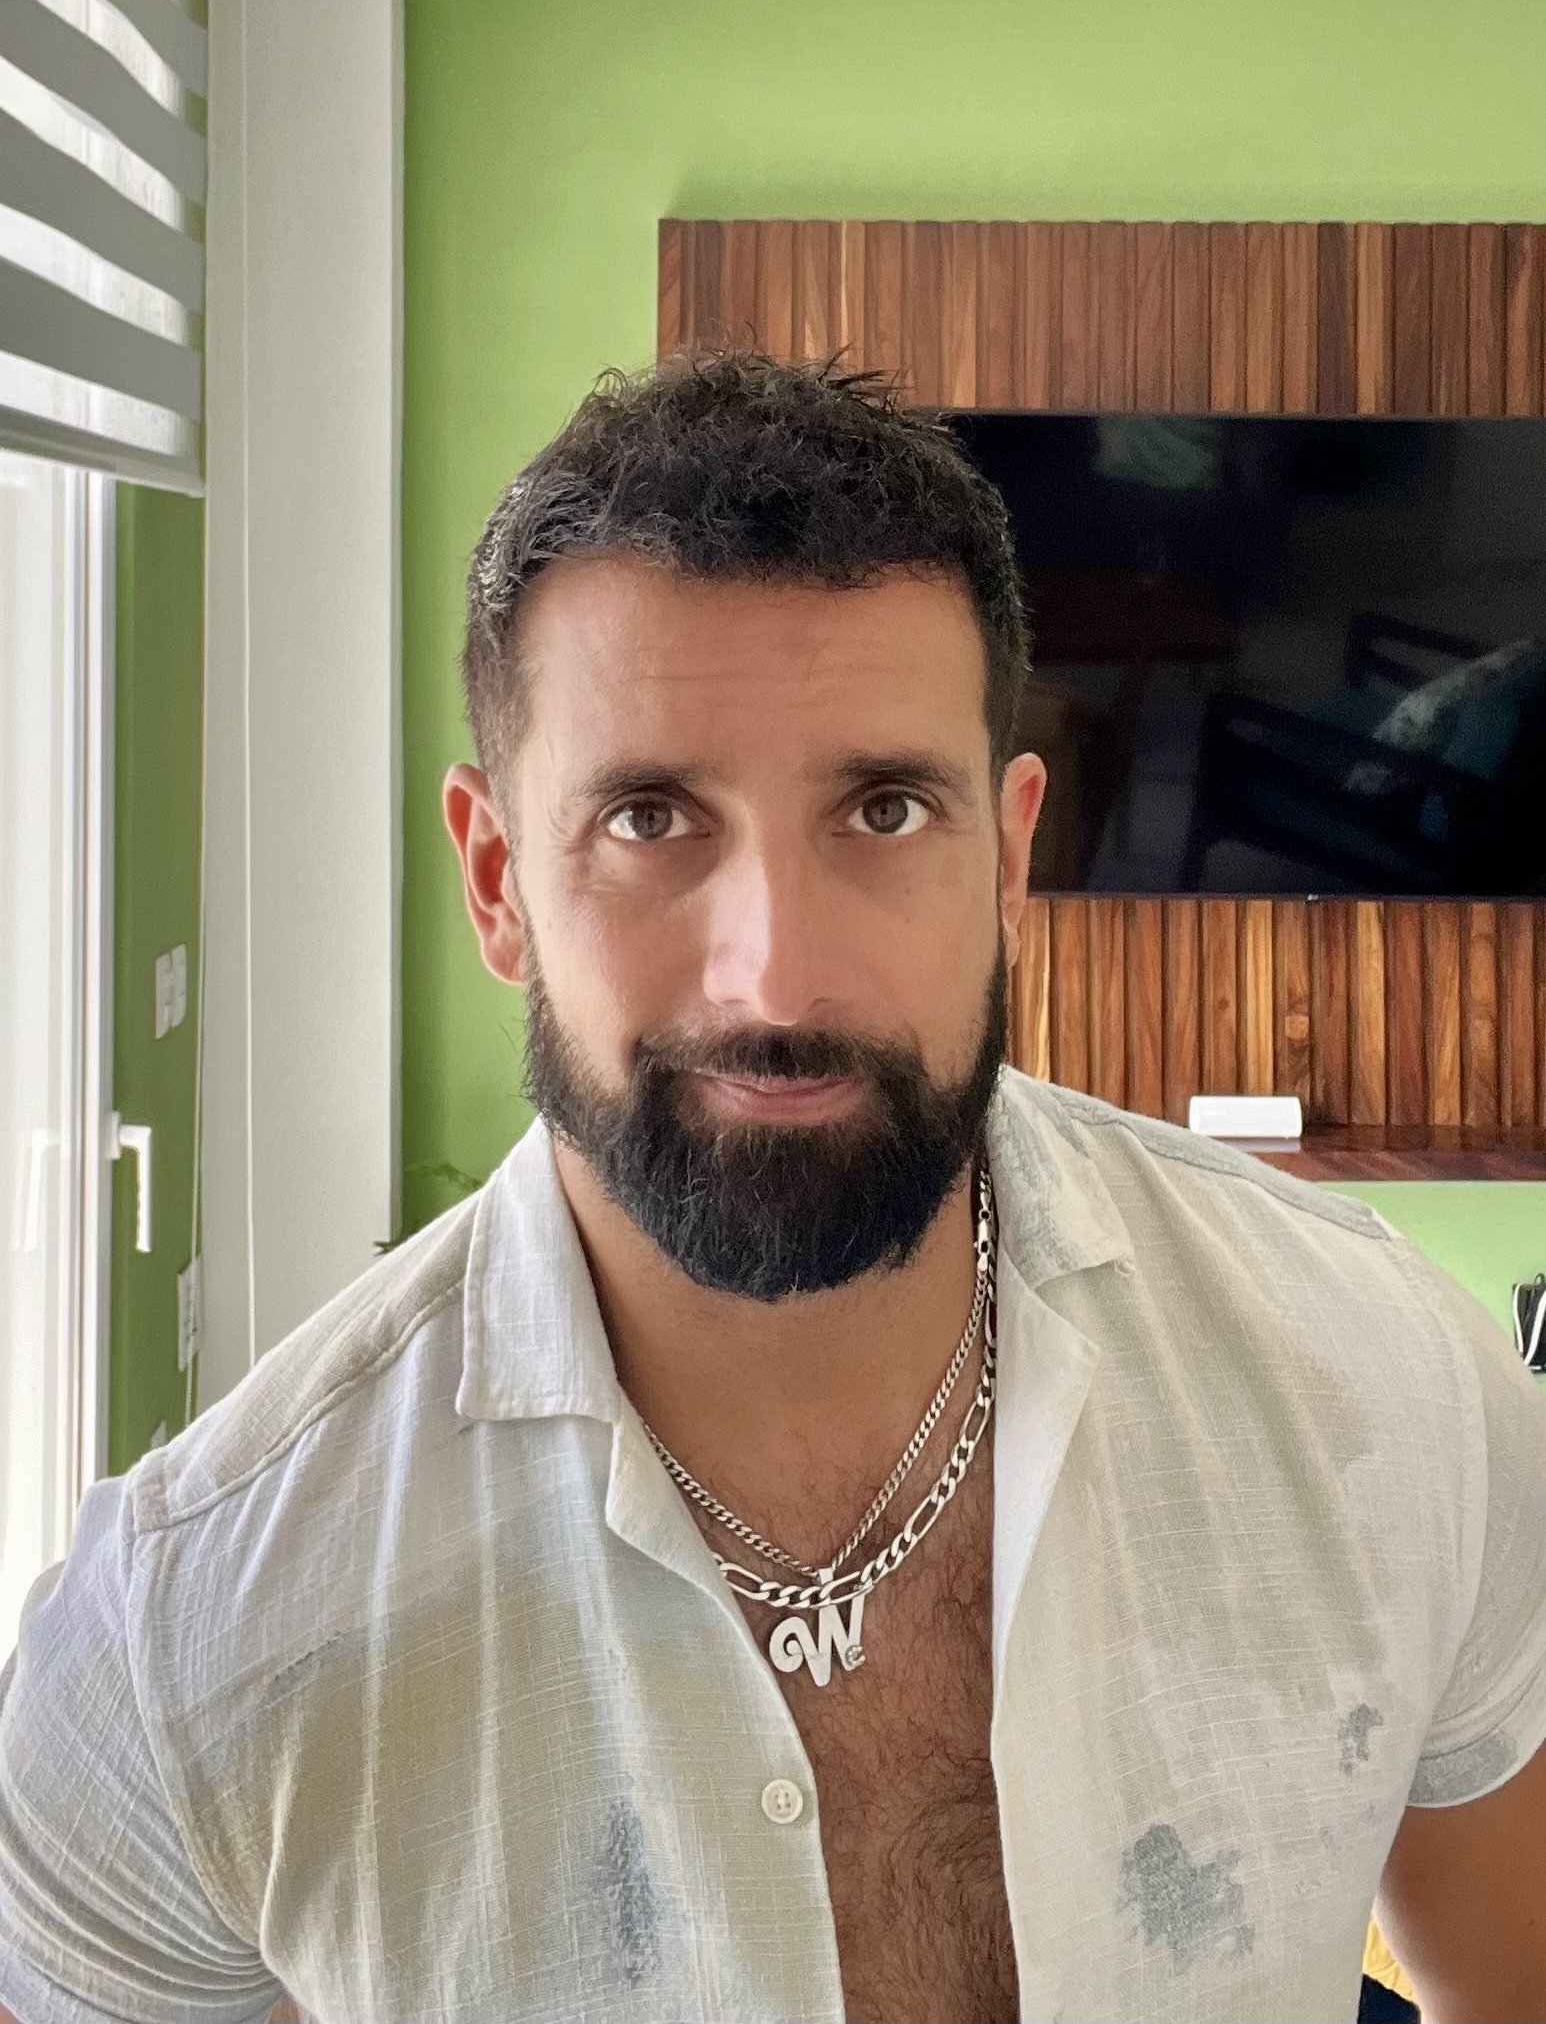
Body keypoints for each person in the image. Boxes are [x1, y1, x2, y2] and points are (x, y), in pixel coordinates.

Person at [2, 351, 1544, 2024]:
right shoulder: (182, 1643)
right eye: (649, 816)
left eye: (882, 807)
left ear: (1008, 854)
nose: (777, 973)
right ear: (497, 879)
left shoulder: (1386, 1382)